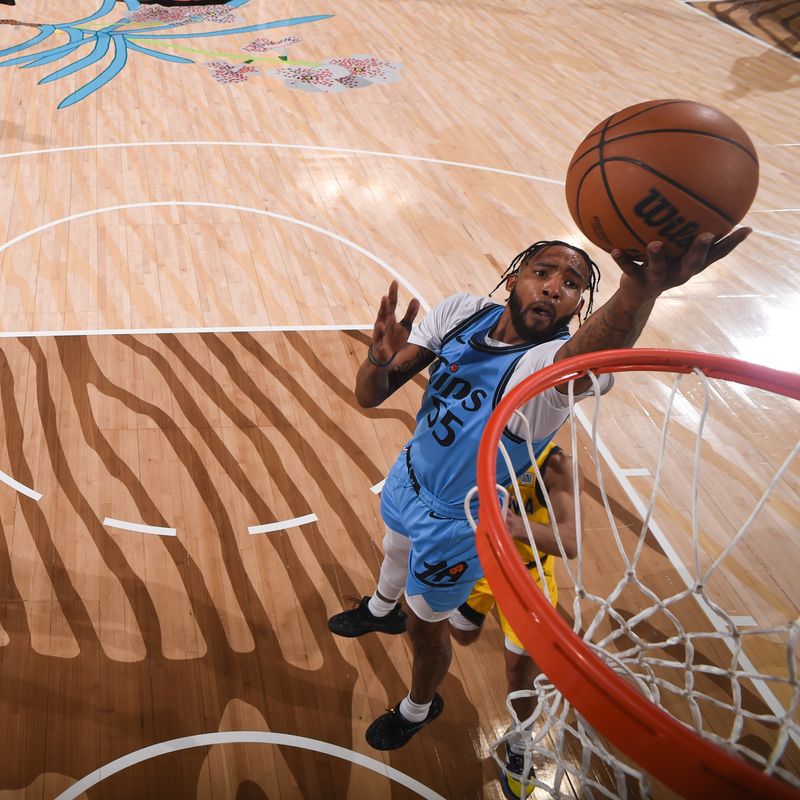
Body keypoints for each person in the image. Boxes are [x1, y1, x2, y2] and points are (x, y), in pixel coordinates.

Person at [327, 230, 750, 752]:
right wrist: (377, 358)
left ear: (579, 305)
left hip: (458, 519)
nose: (554, 288)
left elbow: (585, 360)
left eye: (571, 284)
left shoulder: (546, 372)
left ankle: (419, 706)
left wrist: (640, 294)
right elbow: (370, 397)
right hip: (410, 471)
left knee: (426, 627)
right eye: (543, 273)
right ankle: (379, 607)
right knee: (393, 546)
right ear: (513, 278)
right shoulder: (462, 312)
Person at [449, 441, 580, 799]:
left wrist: (514, 525)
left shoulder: (553, 463)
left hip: (527, 578)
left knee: (519, 675)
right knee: (461, 635)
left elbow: (570, 541)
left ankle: (520, 744)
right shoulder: (474, 434)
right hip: (475, 565)